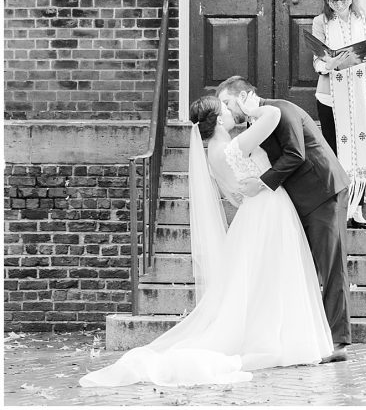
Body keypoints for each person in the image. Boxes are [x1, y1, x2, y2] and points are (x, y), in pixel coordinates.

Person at [80, 96, 332, 387]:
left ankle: (282, 335)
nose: (231, 110)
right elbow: (274, 114)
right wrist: (254, 108)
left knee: (267, 278)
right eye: (226, 108)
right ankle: (287, 339)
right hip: (268, 210)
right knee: (276, 274)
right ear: (220, 120)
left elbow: (235, 196)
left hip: (255, 212)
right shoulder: (234, 146)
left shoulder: (214, 152)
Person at [218, 76, 353, 364]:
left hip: (322, 191)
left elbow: (296, 154)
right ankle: (310, 336)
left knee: (330, 267)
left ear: (244, 95)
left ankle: (338, 342)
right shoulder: (257, 123)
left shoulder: (282, 109)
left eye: (228, 103)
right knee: (302, 268)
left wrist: (262, 183)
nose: (228, 110)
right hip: (297, 201)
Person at [311, 0, 366, 231]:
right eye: (333, 0)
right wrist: (329, 63)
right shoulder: (320, 22)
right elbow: (318, 62)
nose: (339, 4)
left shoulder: (364, 20)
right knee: (335, 150)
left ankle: (358, 210)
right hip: (331, 96)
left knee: (360, 147)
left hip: (359, 91)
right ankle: (339, 208)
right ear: (327, 0)